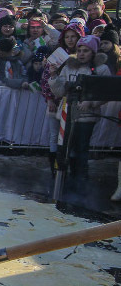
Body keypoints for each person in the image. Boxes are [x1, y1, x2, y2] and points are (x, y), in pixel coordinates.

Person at [49, 35, 111, 180]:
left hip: (86, 116)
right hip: (68, 114)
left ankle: (81, 179)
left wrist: (91, 102)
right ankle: (65, 177)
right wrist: (53, 77)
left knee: (81, 148)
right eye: (80, 50)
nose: (82, 54)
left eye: (86, 51)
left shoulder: (101, 69)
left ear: (93, 52)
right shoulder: (69, 66)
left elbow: (105, 92)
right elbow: (60, 92)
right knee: (66, 148)